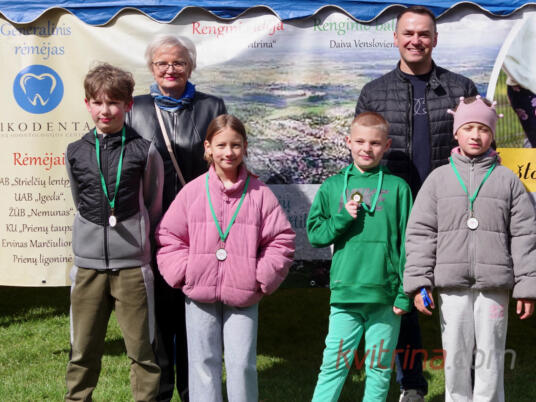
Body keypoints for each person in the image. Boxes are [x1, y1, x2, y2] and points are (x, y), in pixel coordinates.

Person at [354, 6, 478, 400]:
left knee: (459, 299)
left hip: (453, 211)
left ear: (435, 39)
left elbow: (479, 147)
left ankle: (468, 382)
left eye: (424, 34)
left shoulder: (461, 88)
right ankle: (411, 383)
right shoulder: (374, 92)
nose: (416, 40)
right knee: (404, 298)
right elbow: (362, 158)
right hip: (399, 214)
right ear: (395, 38)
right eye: (408, 33)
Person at [404, 95, 536, 402]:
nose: (475, 135)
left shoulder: (508, 180)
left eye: (483, 129)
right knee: (455, 356)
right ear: (456, 133)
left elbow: (525, 235)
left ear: (492, 134)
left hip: (495, 286)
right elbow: (421, 233)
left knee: (491, 355)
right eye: (468, 128)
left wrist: (527, 287)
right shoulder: (438, 180)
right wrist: (420, 282)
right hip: (451, 286)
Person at [155, 114, 295, 402]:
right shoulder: (192, 192)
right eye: (221, 145)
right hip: (199, 292)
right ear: (208, 148)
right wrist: (184, 272)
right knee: (202, 364)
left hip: (244, 293)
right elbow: (169, 236)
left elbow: (281, 240)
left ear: (245, 147)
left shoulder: (260, 194)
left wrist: (260, 277)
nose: (228, 152)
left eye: (235, 145)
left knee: (242, 365)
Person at [126, 34, 227, 402]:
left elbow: (224, 163)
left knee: (195, 315)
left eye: (179, 62)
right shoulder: (134, 109)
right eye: (162, 63)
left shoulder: (211, 106)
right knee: (156, 317)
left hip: (198, 230)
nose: (170, 69)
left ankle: (194, 391)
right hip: (150, 230)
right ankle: (159, 391)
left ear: (191, 66)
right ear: (151, 68)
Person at [65, 63, 164, 401]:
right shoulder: (76, 151)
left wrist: (136, 238)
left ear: (128, 105)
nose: (105, 110)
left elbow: (152, 204)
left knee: (142, 351)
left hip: (132, 267)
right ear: (87, 104)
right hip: (88, 267)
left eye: (113, 102)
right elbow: (79, 200)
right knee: (82, 350)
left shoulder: (144, 149)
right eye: (97, 102)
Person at [307, 112, 412, 401]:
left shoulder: (398, 188)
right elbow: (316, 235)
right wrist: (342, 218)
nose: (367, 148)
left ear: (386, 145)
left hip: (385, 296)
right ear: (348, 142)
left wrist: (405, 293)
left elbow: (409, 244)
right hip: (346, 294)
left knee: (379, 368)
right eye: (360, 141)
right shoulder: (332, 187)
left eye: (375, 143)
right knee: (334, 365)